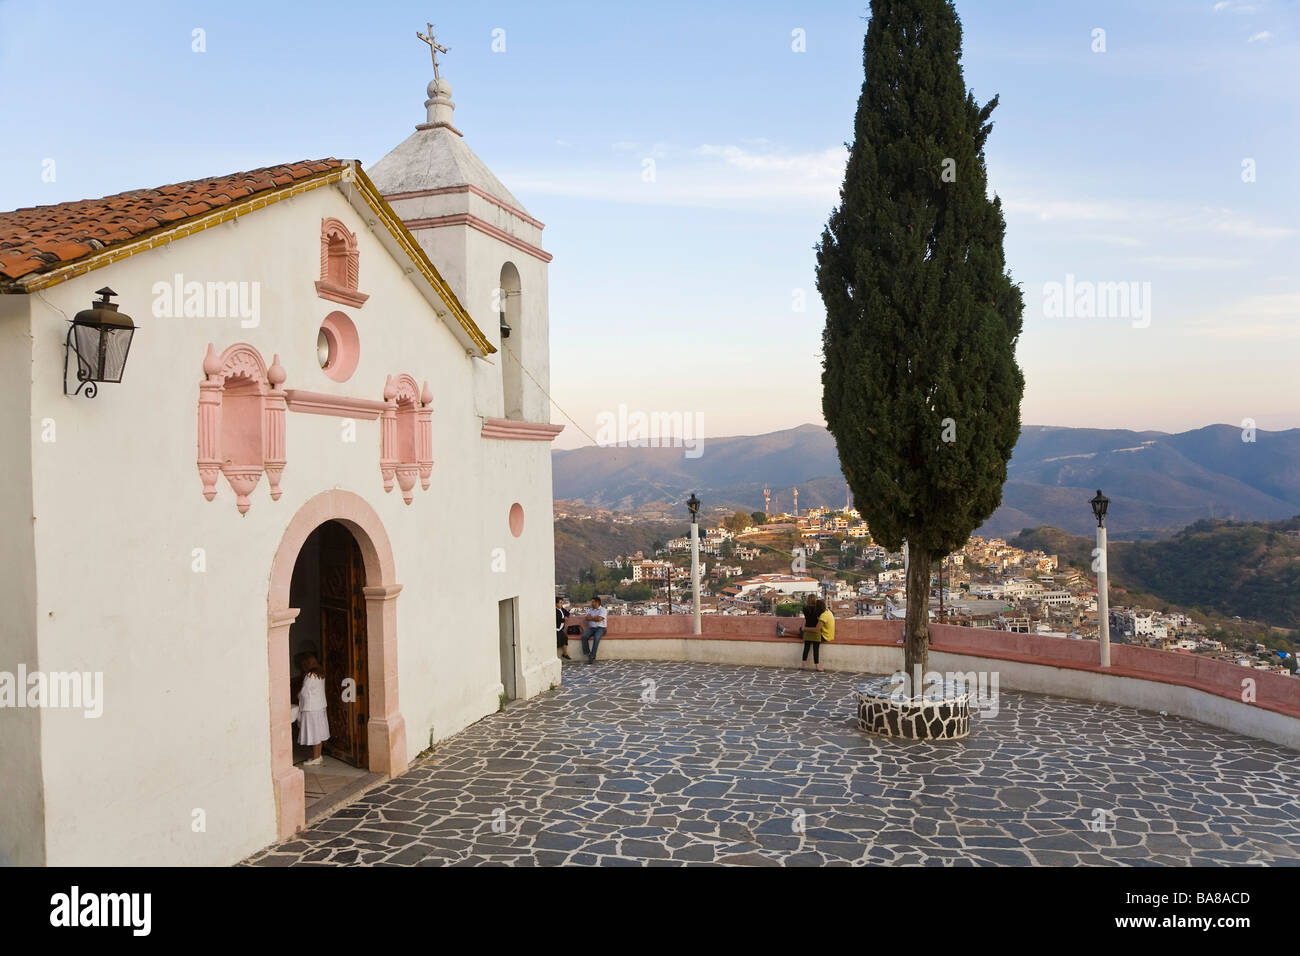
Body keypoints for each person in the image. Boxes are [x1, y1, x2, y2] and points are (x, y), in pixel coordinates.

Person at [296, 652, 329, 765]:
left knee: (314, 733)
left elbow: (304, 692)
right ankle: (318, 756)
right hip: (320, 706)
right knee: (319, 732)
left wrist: (298, 696)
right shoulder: (320, 673)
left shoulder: (310, 675)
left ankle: (315, 758)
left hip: (311, 708)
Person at [801, 599, 834, 672]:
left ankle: (811, 665)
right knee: (805, 635)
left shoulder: (823, 616)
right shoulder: (827, 612)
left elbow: (816, 629)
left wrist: (805, 628)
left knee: (808, 640)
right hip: (827, 633)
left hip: (825, 636)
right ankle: (816, 666)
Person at [580, 596, 608, 664]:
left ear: (597, 602)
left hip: (601, 628)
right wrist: (595, 618)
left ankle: (592, 656)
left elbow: (600, 619)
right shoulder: (590, 610)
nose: (591, 603)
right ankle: (588, 653)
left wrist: (591, 618)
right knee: (584, 636)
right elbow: (587, 618)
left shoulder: (603, 610)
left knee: (596, 638)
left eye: (592, 602)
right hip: (592, 628)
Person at [556, 596, 572, 660]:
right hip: (556, 630)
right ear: (556, 604)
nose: (561, 604)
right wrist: (564, 619)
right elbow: (557, 619)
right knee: (557, 642)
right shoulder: (555, 611)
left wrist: (566, 617)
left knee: (565, 639)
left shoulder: (562, 609)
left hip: (560, 629)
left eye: (562, 603)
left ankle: (565, 654)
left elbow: (567, 613)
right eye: (560, 603)